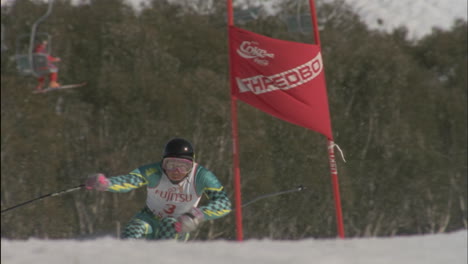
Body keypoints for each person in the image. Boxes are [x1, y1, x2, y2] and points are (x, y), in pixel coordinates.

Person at [85, 138, 232, 240]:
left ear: (192, 165)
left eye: (183, 166)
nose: (176, 171)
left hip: (178, 224)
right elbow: (129, 181)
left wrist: (198, 215)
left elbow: (224, 203)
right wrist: (106, 183)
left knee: (168, 225)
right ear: (163, 163)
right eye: (171, 164)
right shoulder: (154, 171)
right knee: (133, 230)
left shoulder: (202, 176)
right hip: (149, 217)